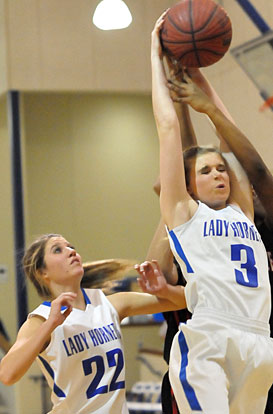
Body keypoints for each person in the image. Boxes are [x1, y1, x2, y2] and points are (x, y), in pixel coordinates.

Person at [143, 11, 273, 414]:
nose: (219, 173)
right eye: (205, 170)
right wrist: (154, 55)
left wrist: (202, 88)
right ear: (184, 183)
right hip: (209, 338)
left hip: (259, 342)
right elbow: (169, 129)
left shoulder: (242, 212)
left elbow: (236, 145)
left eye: (221, 169)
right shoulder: (182, 213)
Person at [0, 233, 186, 414]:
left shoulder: (110, 304)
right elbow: (7, 374)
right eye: (58, 250)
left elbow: (183, 301)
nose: (71, 251)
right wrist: (50, 324)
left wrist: (165, 290)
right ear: (42, 272)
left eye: (71, 247)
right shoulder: (40, 319)